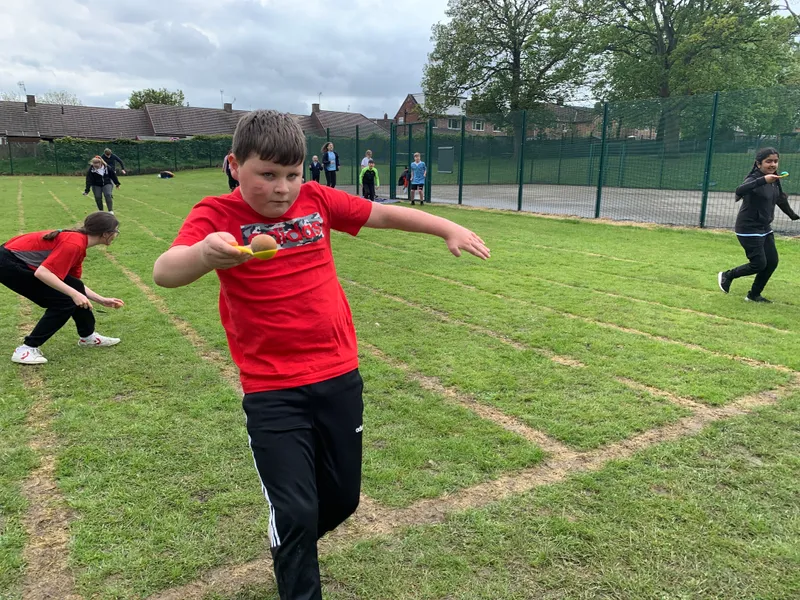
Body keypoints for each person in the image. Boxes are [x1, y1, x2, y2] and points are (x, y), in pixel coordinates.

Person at [152, 109, 490, 600]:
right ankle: (295, 567)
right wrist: (205, 254)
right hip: (272, 390)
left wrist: (444, 227)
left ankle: (291, 545)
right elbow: (165, 271)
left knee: (342, 501)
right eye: (267, 175)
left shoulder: (316, 199)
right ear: (234, 165)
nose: (283, 188)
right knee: (294, 512)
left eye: (291, 174)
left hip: (338, 376)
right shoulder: (216, 216)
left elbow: (384, 214)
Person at [0, 212, 123, 365]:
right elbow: (43, 273)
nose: (116, 235)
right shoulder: (74, 244)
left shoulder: (79, 243)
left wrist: (101, 299)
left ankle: (88, 337)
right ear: (106, 234)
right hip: (8, 264)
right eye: (116, 232)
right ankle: (26, 349)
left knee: (74, 290)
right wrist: (74, 295)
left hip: (13, 260)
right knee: (63, 302)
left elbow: (74, 283)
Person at [718, 147, 799, 302]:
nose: (773, 164)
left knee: (772, 262)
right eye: (768, 161)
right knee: (758, 264)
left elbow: (780, 199)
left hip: (764, 228)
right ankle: (728, 275)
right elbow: (739, 189)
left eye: (775, 161)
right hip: (748, 228)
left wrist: (794, 216)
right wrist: (763, 180)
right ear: (758, 163)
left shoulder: (774, 180)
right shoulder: (754, 179)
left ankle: (754, 295)